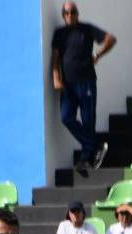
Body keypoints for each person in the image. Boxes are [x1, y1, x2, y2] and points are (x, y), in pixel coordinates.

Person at [51, 2, 116, 176]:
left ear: (77, 14)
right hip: (68, 85)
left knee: (88, 120)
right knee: (66, 117)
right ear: (63, 15)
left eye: (73, 12)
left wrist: (98, 55)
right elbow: (55, 58)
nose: (70, 15)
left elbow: (111, 39)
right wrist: (56, 77)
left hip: (86, 81)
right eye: (67, 12)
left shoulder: (86, 29)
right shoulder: (59, 34)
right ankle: (94, 147)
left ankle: (86, 157)